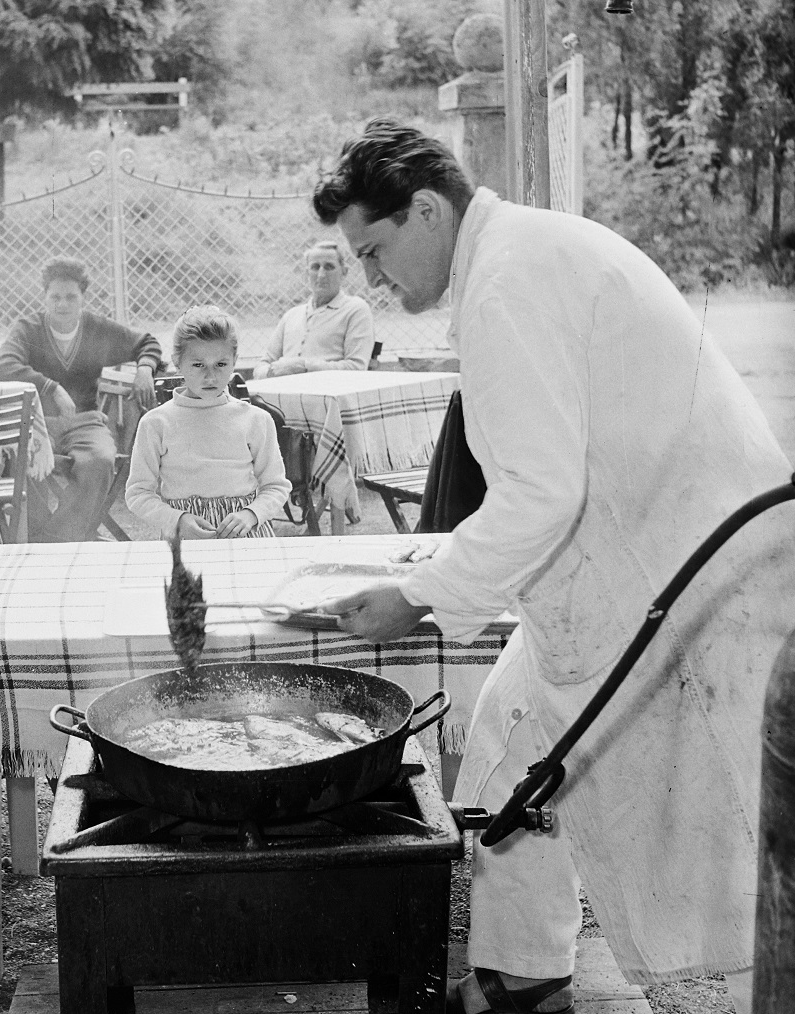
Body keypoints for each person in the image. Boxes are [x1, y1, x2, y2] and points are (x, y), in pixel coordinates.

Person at [312, 118, 792, 1014]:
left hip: (680, 588)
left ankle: (710, 1000)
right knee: (507, 740)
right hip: (638, 562)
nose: (372, 280)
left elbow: (540, 497)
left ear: (425, 211)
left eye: (374, 252)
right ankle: (524, 975)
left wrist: (418, 597)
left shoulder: (504, 285)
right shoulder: (518, 251)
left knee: (692, 859)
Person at [0, 256, 163, 542]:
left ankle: (53, 539)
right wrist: (50, 387)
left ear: (83, 297)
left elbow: (147, 342)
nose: (62, 304)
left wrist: (145, 367)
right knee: (20, 459)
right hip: (39, 423)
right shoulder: (28, 328)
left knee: (100, 460)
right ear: (44, 296)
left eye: (71, 297)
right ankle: (53, 534)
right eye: (55, 296)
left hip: (85, 422)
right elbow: (2, 367)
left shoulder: (98, 328)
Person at [125, 306, 292, 539]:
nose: (210, 376)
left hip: (245, 535)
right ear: (177, 362)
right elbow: (138, 494)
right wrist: (177, 519)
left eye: (221, 364)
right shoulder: (156, 423)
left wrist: (251, 514)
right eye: (198, 365)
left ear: (234, 361)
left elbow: (277, 486)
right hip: (185, 537)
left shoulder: (256, 420)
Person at [252, 240, 374, 378]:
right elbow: (262, 365)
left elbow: (357, 368)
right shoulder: (292, 315)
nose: (321, 274)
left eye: (329, 267)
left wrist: (305, 366)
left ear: (344, 272)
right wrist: (271, 371)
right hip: (284, 393)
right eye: (315, 267)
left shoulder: (355, 309)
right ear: (307, 273)